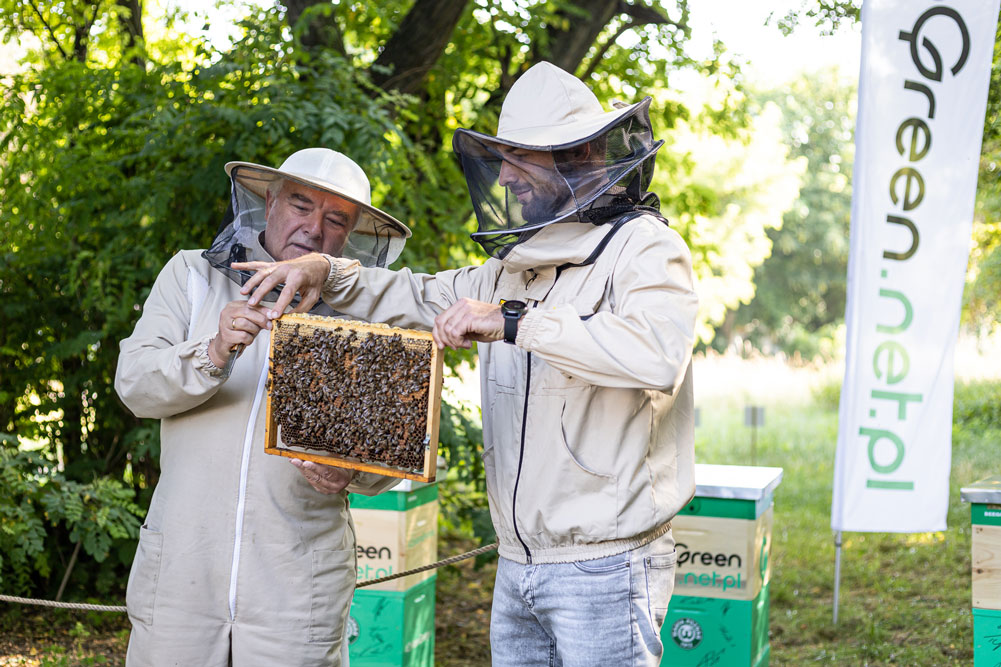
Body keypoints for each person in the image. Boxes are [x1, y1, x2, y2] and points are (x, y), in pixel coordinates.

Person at [235, 62, 698, 666]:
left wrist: (511, 321)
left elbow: (656, 353)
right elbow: (415, 294)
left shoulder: (645, 248)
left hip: (607, 563)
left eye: (518, 158)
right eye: (500, 157)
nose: (504, 176)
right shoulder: (511, 267)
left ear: (578, 153)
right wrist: (328, 271)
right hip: (516, 561)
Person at [114, 148, 411, 666]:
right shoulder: (190, 276)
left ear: (352, 232)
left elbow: (383, 461)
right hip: (184, 570)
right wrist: (209, 351)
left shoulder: (370, 316)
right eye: (301, 205)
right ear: (268, 201)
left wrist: (351, 472)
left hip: (298, 585)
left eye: (335, 218)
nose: (314, 228)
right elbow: (136, 386)